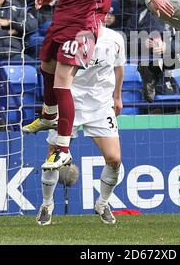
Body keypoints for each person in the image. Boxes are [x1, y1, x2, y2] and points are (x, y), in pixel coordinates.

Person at [22, 0, 174, 170]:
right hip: (62, 21)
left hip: (80, 28)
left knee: (62, 81)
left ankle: (62, 149)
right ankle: (48, 115)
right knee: (45, 66)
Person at [26, 25, 125, 226]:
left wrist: (117, 96)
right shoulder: (68, 35)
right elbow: (50, 68)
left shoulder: (115, 38)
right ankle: (47, 205)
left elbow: (119, 67)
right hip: (69, 102)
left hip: (100, 105)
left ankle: (103, 203)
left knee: (114, 159)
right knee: (53, 155)